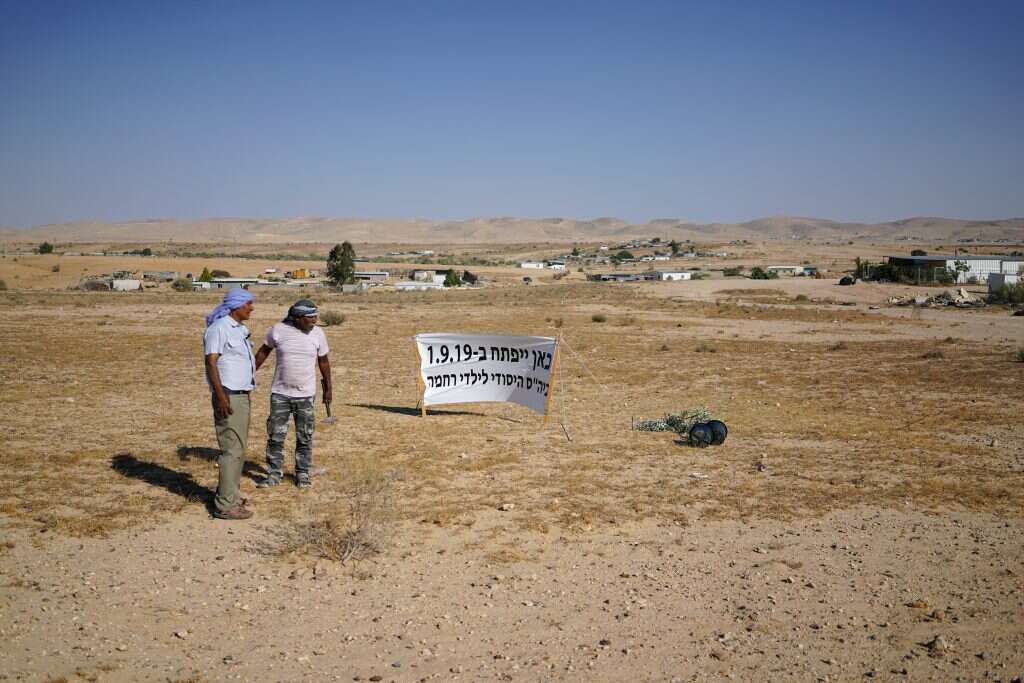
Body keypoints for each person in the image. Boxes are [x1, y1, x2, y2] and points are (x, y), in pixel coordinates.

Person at [254, 299, 332, 489]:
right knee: (275, 436)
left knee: (304, 437)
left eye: (316, 316)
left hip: (306, 395)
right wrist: (248, 374)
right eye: (310, 317)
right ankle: (274, 474)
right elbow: (263, 352)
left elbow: (324, 362)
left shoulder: (318, 334)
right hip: (280, 394)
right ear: (297, 318)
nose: (315, 320)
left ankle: (303, 474)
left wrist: (328, 388)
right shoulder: (278, 330)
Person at [203, 287, 257, 520]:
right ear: (236, 306)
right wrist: (221, 396)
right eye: (248, 304)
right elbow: (211, 363)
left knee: (239, 448)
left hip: (241, 394)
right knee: (231, 449)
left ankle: (230, 494)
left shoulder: (240, 330)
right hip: (229, 395)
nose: (252, 308)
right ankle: (225, 505)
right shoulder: (218, 329)